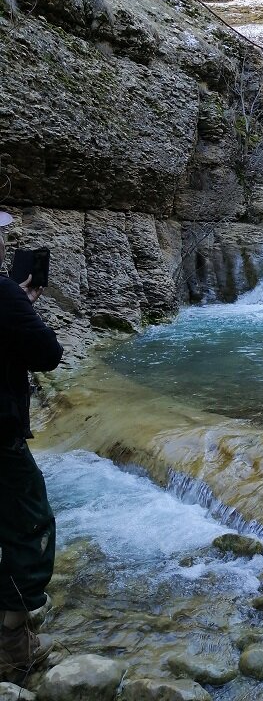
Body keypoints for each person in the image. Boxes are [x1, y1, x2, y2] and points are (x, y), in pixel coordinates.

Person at [0, 229, 63, 672]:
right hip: (0, 438)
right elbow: (48, 352)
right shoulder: (5, 294)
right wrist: (21, 303)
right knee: (31, 524)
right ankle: (13, 641)